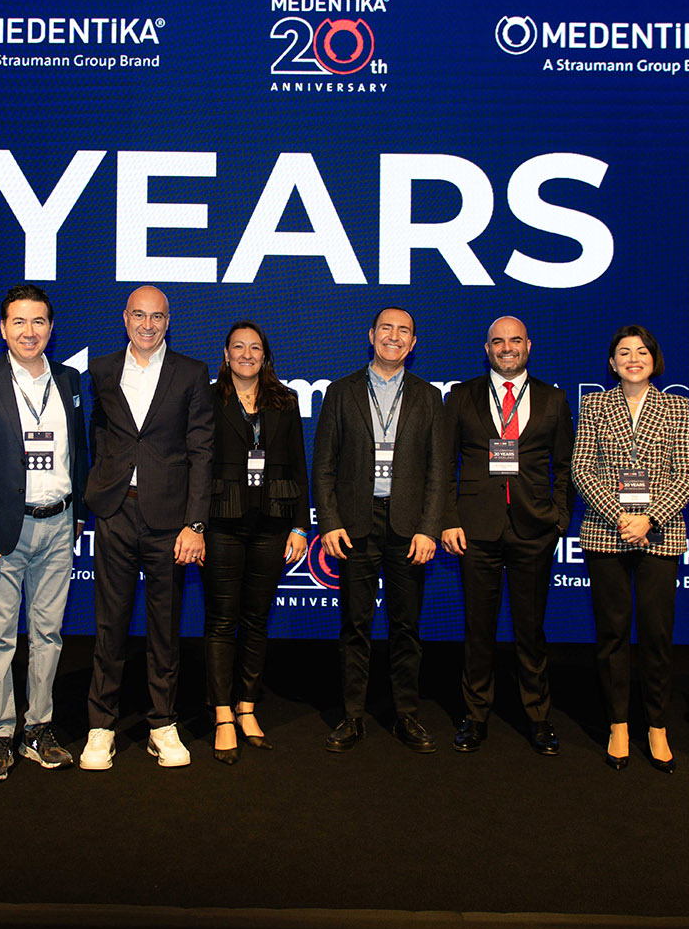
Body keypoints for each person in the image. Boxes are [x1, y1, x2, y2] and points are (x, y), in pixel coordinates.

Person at [0, 284, 88, 782]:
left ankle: (38, 728)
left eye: (38, 322)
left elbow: (80, 450)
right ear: (3, 328)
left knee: (48, 634)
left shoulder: (69, 379)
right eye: (19, 322)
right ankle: (0, 733)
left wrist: (77, 512)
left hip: (58, 525)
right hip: (1, 529)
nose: (29, 331)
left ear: (51, 328)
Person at [80, 285, 214, 771]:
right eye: (139, 315)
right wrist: (101, 488)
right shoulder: (102, 370)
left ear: (168, 321)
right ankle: (101, 726)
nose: (147, 324)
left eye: (157, 317)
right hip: (116, 512)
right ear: (125, 318)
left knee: (165, 628)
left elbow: (202, 452)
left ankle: (162, 723)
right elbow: (100, 434)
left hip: (170, 521)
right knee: (109, 625)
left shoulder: (191, 373)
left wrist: (195, 524)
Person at [312, 306, 450, 754]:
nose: (394, 336)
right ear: (371, 335)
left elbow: (439, 470)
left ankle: (406, 715)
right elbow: (324, 466)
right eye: (386, 328)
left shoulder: (429, 397)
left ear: (413, 343)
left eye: (403, 330)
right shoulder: (341, 392)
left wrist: (429, 529)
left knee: (406, 626)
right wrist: (329, 522)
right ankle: (352, 716)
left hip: (409, 528)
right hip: (355, 523)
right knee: (355, 624)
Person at [439, 316, 573, 757]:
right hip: (475, 530)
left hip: (534, 529)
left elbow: (565, 466)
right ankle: (475, 715)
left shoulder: (553, 399)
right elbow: (444, 464)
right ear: (487, 349)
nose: (507, 348)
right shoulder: (462, 396)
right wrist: (449, 519)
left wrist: (559, 520)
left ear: (528, 346)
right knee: (478, 628)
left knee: (530, 630)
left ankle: (538, 716)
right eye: (498, 341)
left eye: (515, 340)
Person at [572, 325, 689, 772]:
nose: (633, 359)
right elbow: (581, 469)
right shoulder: (594, 405)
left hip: (659, 534)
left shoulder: (677, 407)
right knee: (612, 633)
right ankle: (619, 724)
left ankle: (657, 727)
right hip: (607, 532)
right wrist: (621, 517)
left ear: (653, 359)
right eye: (624, 352)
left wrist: (649, 519)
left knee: (657, 634)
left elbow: (687, 473)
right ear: (612, 363)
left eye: (641, 351)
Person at [202, 321, 310, 764]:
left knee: (256, 620)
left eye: (255, 348)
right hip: (221, 520)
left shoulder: (285, 400)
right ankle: (222, 714)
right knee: (221, 621)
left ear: (265, 355)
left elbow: (299, 463)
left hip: (273, 521)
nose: (247, 354)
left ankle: (247, 708)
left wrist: (300, 526)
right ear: (226, 354)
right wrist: (194, 524)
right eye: (238, 347)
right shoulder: (207, 399)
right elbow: (195, 462)